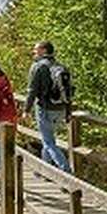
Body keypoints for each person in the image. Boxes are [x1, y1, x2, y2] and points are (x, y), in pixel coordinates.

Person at [24, 40, 73, 171]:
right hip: (60, 109)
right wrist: (68, 112)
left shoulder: (38, 66)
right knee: (48, 139)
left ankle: (66, 171)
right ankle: (44, 170)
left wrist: (26, 110)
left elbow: (32, 91)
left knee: (49, 142)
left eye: (36, 49)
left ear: (43, 50)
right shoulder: (61, 67)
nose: (33, 52)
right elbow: (68, 92)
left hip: (45, 108)